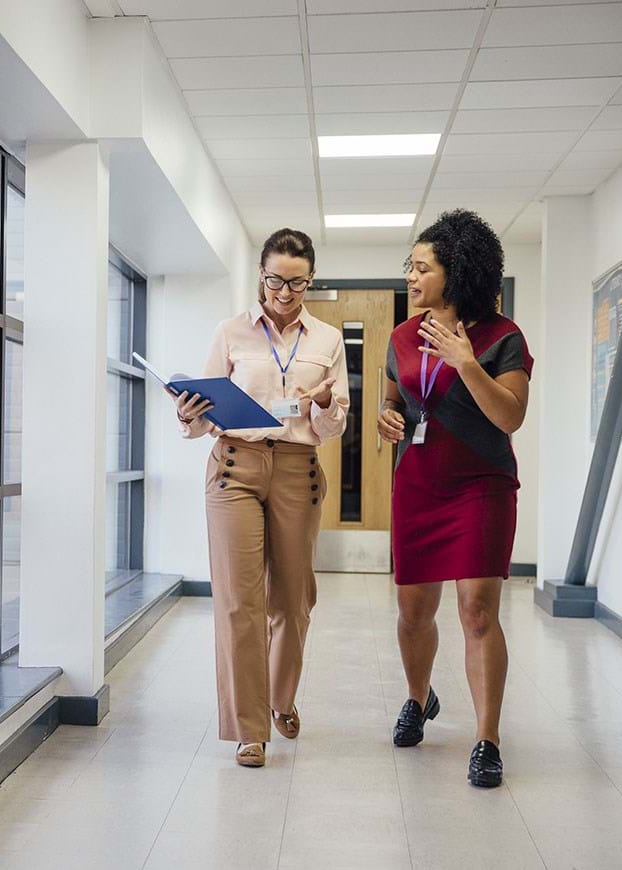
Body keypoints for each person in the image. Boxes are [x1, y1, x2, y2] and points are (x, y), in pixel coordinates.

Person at [174, 228, 349, 768]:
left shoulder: (326, 340)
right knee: (238, 602)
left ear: (310, 280)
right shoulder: (231, 332)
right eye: (275, 279)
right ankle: (250, 728)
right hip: (235, 468)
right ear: (261, 276)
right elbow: (202, 410)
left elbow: (334, 423)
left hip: (298, 469)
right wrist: (189, 414)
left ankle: (281, 697)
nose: (285, 291)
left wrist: (323, 401)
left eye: (297, 282)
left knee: (293, 602)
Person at [377, 209, 533, 789]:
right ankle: (419, 699)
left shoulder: (500, 337)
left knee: (476, 611)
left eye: (422, 268)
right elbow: (392, 402)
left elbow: (510, 416)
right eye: (409, 268)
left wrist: (465, 361)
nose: (411, 278)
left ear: (456, 271)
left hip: (480, 486)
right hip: (417, 484)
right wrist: (385, 418)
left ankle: (487, 739)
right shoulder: (401, 336)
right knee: (413, 612)